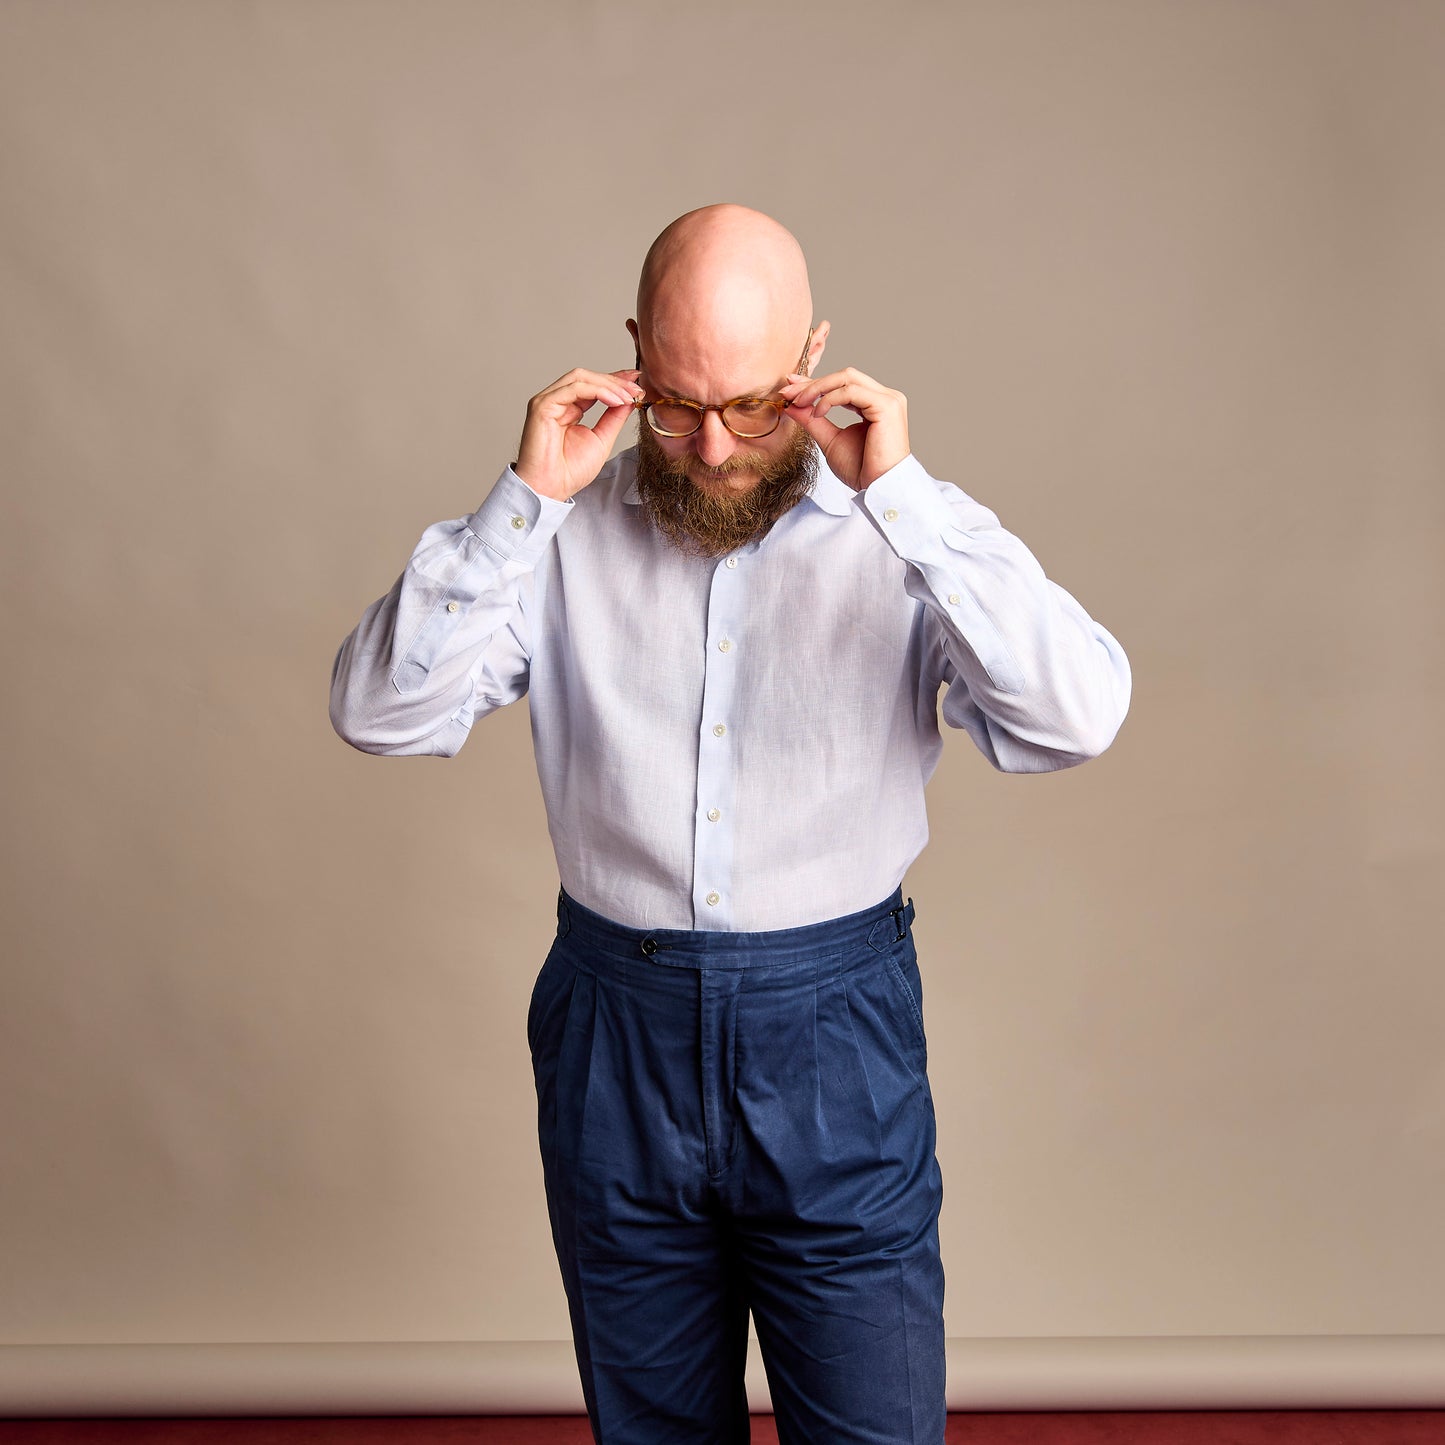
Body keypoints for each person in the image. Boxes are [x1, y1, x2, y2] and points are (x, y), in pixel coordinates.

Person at [330, 203, 1131, 1444]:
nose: (710, 446)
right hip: (614, 1032)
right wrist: (523, 496)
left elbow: (1073, 717)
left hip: (835, 1034)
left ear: (811, 356)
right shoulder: (558, 531)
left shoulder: (900, 533)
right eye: (676, 401)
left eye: (754, 405)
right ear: (632, 351)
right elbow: (381, 712)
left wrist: (906, 503)